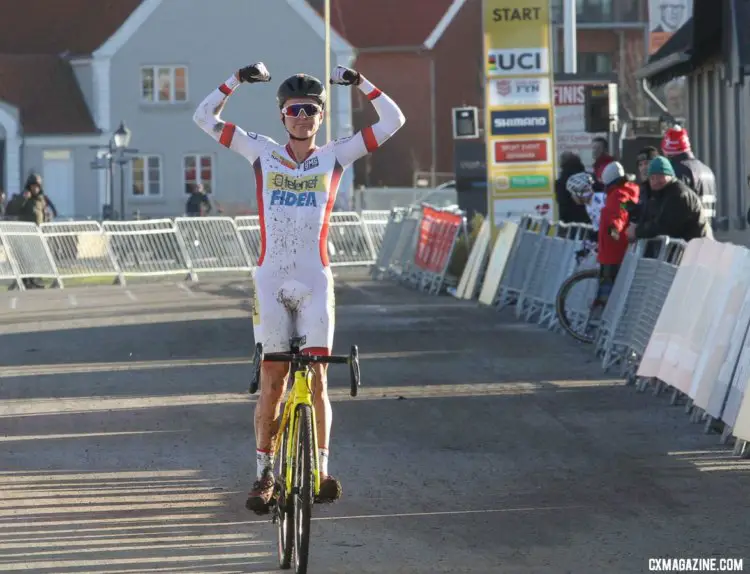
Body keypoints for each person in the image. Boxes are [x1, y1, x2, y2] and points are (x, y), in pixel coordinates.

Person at [193, 63, 405, 514]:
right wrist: (234, 79)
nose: (302, 117)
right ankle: (263, 473)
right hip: (270, 280)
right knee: (273, 380)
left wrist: (360, 82)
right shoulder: (262, 153)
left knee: (320, 378)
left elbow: (393, 121)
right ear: (282, 116)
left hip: (315, 279)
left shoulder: (336, 156)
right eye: (294, 110)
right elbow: (203, 118)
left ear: (321, 116)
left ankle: (322, 469)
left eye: (310, 109)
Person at [627, 156, 711, 243]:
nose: (656, 181)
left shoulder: (679, 195)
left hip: (695, 249)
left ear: (670, 175)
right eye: (652, 178)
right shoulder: (660, 195)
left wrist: (637, 231)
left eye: (660, 176)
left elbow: (665, 226)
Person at [596, 162, 639, 306]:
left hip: (612, 254)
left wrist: (612, 233)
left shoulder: (617, 195)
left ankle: (599, 326)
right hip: (618, 251)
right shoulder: (630, 191)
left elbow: (617, 218)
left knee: (607, 298)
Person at [661, 125, 716, 227]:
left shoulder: (677, 171)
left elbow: (673, 211)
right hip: (707, 235)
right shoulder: (707, 170)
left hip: (686, 238)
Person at [555, 152, 590, 224]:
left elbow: (562, 200)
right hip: (587, 218)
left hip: (569, 220)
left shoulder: (563, 180)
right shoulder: (586, 176)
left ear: (563, 163)